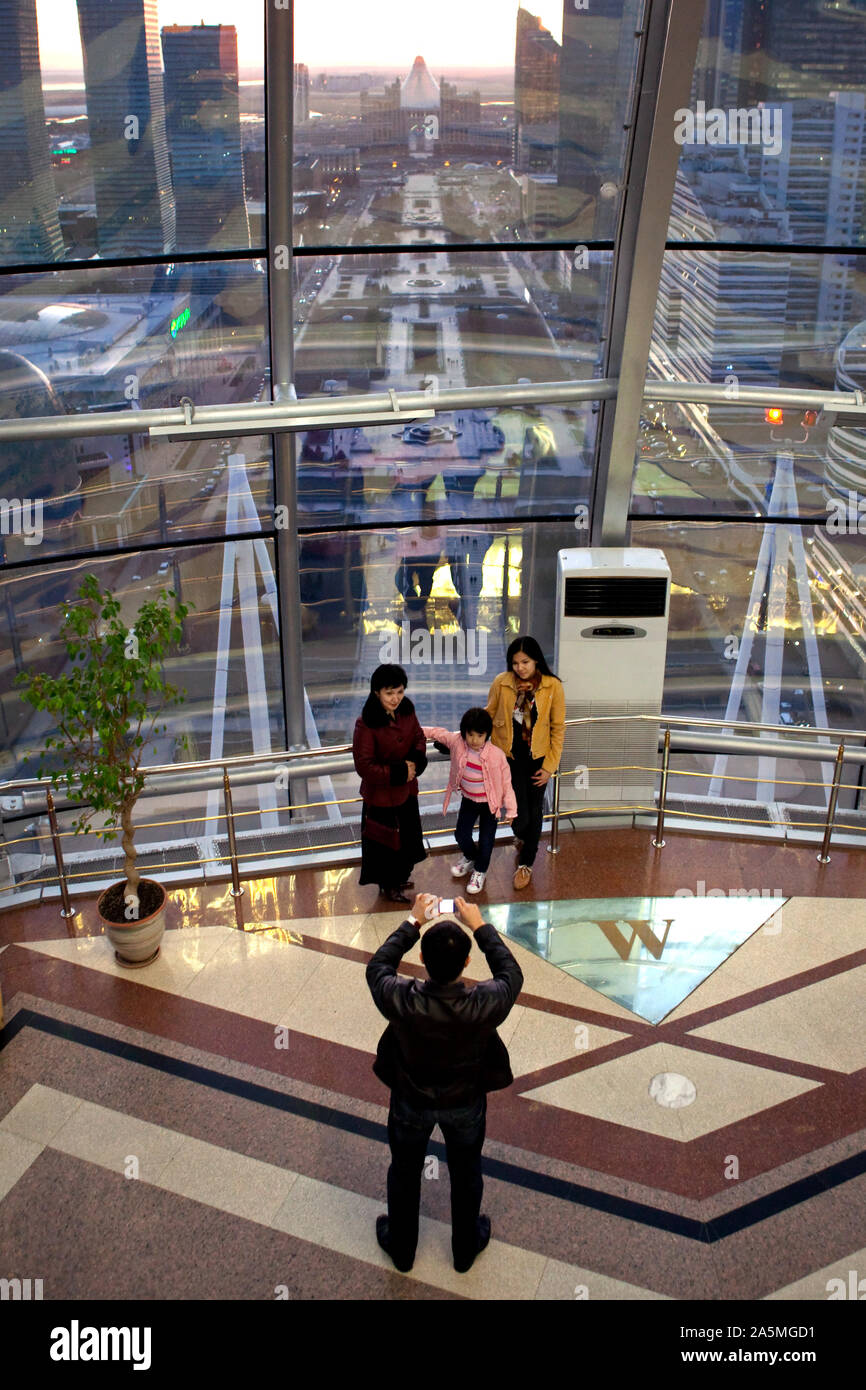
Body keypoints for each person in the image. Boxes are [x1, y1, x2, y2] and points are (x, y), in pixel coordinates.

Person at [366, 893, 523, 1274]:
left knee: (404, 1171)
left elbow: (378, 967)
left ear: (421, 961)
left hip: (409, 1100)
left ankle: (402, 1250)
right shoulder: (484, 1002)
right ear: (467, 963)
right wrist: (480, 924)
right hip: (465, 1102)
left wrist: (413, 921)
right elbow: (511, 975)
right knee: (467, 1172)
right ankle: (464, 1250)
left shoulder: (401, 997)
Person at [486, 636, 565, 891]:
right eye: (515, 662)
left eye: (525, 662)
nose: (520, 667)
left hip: (538, 759)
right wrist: (466, 737)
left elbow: (557, 728)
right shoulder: (502, 682)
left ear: (537, 660)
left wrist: (550, 766)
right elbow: (487, 715)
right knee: (520, 817)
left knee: (536, 811)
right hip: (509, 758)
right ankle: (521, 835)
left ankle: (526, 863)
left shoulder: (552, 686)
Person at [353, 664, 428, 904]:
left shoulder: (407, 709)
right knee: (385, 843)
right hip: (382, 796)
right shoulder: (366, 722)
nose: (395, 698)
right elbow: (364, 765)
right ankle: (389, 885)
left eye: (399, 691)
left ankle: (400, 877)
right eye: (389, 693)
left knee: (407, 837)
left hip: (406, 790)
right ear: (376, 692)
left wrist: (414, 764)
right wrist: (398, 772)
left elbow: (418, 737)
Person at [423, 708, 516, 896]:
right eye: (470, 734)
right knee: (461, 834)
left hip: (490, 805)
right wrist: (411, 730)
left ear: (487, 735)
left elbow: (507, 783)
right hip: (469, 800)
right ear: (464, 732)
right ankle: (471, 857)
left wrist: (511, 811)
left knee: (486, 840)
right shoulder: (458, 742)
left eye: (479, 735)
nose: (474, 740)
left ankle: (480, 871)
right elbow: (438, 733)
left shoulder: (496, 755)